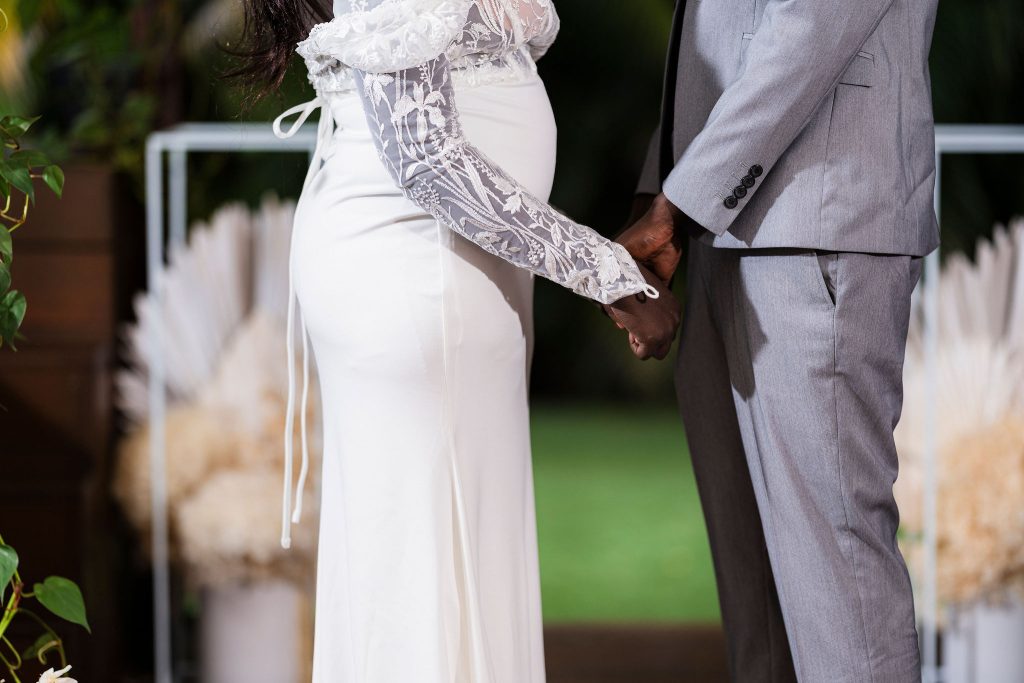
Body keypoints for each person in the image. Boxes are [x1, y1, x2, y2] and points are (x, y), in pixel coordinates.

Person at [234, 1, 679, 681]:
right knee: (424, 582)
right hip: (415, 273)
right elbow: (425, 156)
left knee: (441, 565)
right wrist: (608, 274)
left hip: (451, 274)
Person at [619, 0, 940, 681]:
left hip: (820, 220)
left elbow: (811, 27)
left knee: (838, 583)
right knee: (756, 609)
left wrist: (678, 202)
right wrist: (663, 191)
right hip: (719, 229)